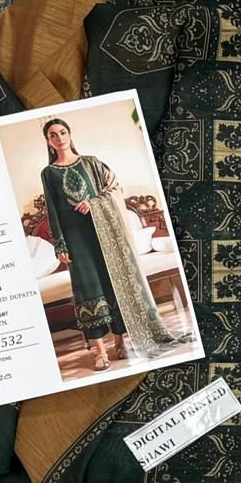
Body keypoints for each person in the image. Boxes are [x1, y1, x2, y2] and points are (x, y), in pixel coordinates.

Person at [39, 117, 189, 370]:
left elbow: (114, 188)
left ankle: (120, 342)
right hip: (76, 241)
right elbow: (53, 211)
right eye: (53, 135)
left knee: (113, 284)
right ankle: (100, 351)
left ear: (70, 134)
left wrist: (93, 203)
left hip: (105, 235)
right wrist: (60, 245)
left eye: (62, 132)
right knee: (87, 290)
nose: (59, 138)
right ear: (48, 141)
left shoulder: (91, 163)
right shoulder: (49, 173)